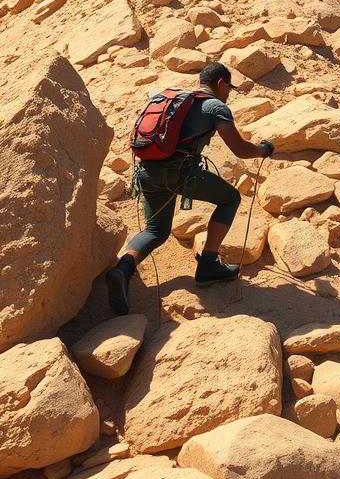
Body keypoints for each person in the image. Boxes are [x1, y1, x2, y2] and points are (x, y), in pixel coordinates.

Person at [106, 62, 274, 315]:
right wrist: (263, 149)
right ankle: (208, 265)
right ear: (220, 83)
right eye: (229, 87)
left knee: (155, 230)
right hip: (181, 173)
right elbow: (240, 149)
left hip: (148, 172)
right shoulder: (216, 106)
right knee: (229, 199)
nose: (229, 93)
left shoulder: (177, 100)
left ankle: (123, 269)